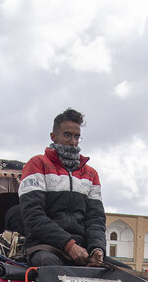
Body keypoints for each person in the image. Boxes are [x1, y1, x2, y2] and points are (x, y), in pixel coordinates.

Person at [19, 108, 106, 268]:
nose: (73, 142)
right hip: (44, 246)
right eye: (67, 135)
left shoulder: (91, 174)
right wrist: (69, 245)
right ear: (53, 136)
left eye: (77, 137)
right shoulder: (37, 164)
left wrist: (96, 248)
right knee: (52, 267)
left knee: (124, 272)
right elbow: (33, 216)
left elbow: (96, 219)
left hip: (82, 251)